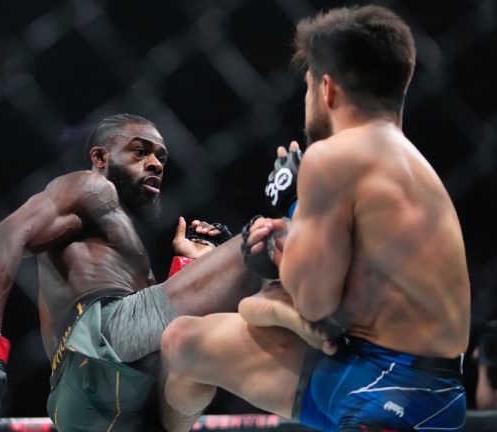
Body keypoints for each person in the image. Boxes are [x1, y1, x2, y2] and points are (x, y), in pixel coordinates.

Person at [160, 5, 471, 432]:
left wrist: (291, 208)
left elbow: (313, 301)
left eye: (307, 88)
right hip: (400, 377)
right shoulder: (412, 166)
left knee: (268, 306)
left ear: (326, 90)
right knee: (184, 342)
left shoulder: (333, 156)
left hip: (386, 391)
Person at [0, 113, 264, 431]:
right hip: (99, 346)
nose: (155, 164)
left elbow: (151, 321)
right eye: (140, 151)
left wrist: (190, 265)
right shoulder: (90, 187)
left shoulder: (117, 239)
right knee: (265, 239)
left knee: (203, 360)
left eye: (161, 157)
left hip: (92, 402)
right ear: (100, 156)